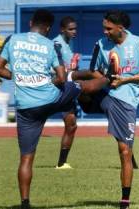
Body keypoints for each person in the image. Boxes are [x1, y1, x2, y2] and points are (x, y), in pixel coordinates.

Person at [0, 9, 110, 209]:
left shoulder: (12, 39)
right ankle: (109, 78)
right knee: (80, 85)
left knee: (26, 158)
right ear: (48, 28)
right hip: (51, 98)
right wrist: (46, 82)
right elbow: (62, 77)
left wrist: (21, 78)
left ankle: (24, 203)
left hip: (26, 108)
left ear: (31, 22)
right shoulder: (51, 44)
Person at [68, 10, 139, 209]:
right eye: (104, 28)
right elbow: (93, 71)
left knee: (124, 151)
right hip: (105, 95)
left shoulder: (138, 43)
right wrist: (106, 77)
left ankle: (124, 201)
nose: (105, 31)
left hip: (125, 101)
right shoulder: (101, 44)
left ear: (120, 28)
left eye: (108, 28)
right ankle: (61, 93)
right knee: (79, 87)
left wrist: (126, 79)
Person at [52, 16, 79, 169]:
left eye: (75, 29)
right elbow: (55, 69)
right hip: (57, 89)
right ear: (62, 29)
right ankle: (61, 163)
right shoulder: (56, 44)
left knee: (71, 125)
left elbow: (68, 69)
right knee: (70, 124)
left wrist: (73, 67)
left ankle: (62, 163)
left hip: (67, 88)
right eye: (70, 29)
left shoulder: (68, 45)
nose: (74, 32)